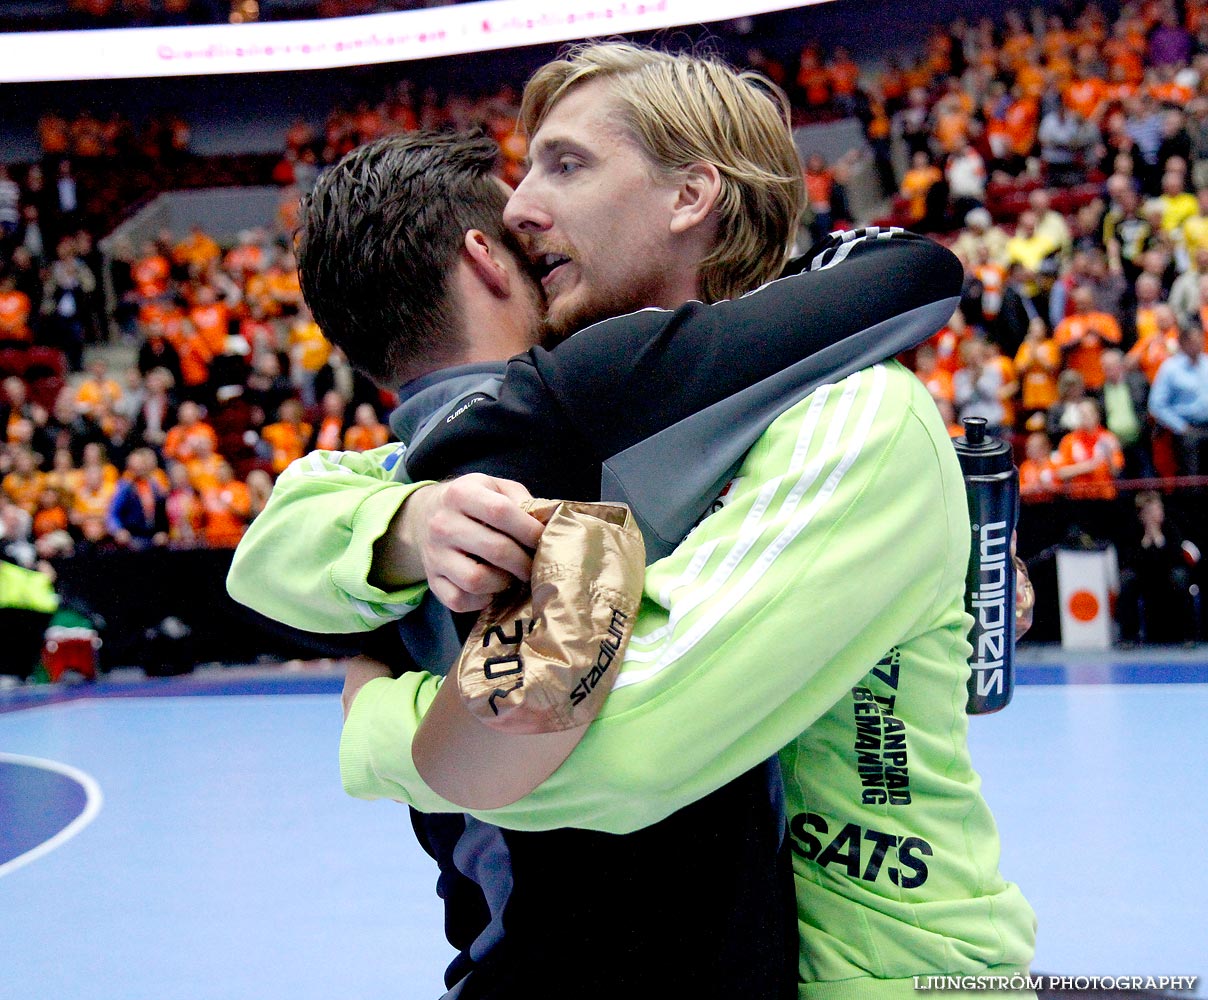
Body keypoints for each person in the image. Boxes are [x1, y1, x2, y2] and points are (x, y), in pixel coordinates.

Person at [230, 44, 1034, 1000]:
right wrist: (406, 524)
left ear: (692, 194)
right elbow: (292, 524)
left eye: (564, 165)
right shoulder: (577, 420)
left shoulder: (853, 416)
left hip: (883, 977)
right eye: (524, 170)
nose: (522, 208)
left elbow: (632, 746)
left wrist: (370, 720)